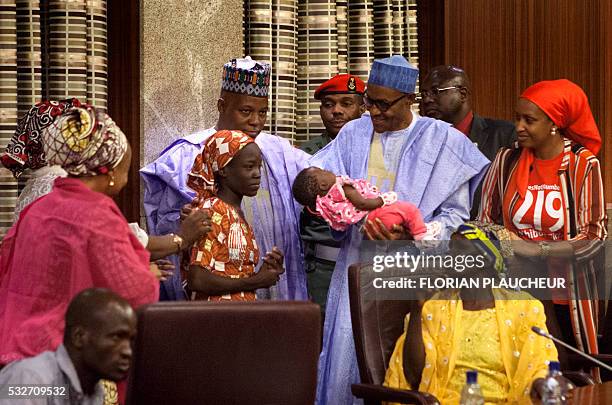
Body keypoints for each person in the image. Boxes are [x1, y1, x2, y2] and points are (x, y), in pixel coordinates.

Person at [309, 55, 490, 405]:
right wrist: (351, 214)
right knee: (348, 359)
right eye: (369, 102)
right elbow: (321, 187)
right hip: (358, 268)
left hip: (417, 274)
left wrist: (411, 234)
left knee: (411, 363)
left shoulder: (443, 140)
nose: (374, 112)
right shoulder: (353, 133)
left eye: (383, 104)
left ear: (410, 100)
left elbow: (455, 216)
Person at [0, 104, 159, 365]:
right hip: (70, 359)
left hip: (19, 353)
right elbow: (133, 292)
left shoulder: (38, 208)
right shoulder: (97, 215)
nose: (127, 179)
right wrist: (149, 276)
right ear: (109, 171)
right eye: (126, 168)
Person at [141, 56, 310, 301]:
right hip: (212, 300)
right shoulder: (184, 156)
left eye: (262, 112)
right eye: (246, 111)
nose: (255, 121)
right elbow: (164, 229)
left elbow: (318, 182)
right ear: (222, 106)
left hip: (271, 292)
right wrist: (185, 221)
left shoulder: (278, 151)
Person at [478, 79, 607, 365]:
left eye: (529, 120)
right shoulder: (506, 159)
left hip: (568, 293)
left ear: (554, 124)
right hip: (514, 286)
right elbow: (484, 221)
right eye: (517, 118)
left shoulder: (581, 165)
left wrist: (538, 251)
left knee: (570, 373)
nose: (519, 126)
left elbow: (594, 236)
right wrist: (511, 248)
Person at [0, 99, 211, 262]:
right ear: (109, 171)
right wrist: (180, 239)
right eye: (124, 167)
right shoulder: (69, 195)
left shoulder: (44, 189)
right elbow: (116, 251)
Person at [384, 223, 564, 404]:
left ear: (485, 257)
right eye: (450, 249)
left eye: (459, 250)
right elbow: (414, 378)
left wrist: (543, 383)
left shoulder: (523, 308)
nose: (450, 256)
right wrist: (416, 310)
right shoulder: (434, 308)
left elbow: (540, 366)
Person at [186, 130, 284, 301]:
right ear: (223, 170)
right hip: (217, 320)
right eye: (249, 167)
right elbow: (197, 279)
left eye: (258, 166)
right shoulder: (213, 211)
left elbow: (232, 271)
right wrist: (257, 281)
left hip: (236, 317)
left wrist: (267, 271)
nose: (257, 174)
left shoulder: (235, 212)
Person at [299, 74, 365, 317]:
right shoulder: (307, 154)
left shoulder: (375, 150)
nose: (336, 111)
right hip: (324, 266)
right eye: (329, 104)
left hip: (368, 261)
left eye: (346, 103)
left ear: (363, 107)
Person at [0, 289, 136, 405]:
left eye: (131, 340)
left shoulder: (93, 391)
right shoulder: (33, 381)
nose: (128, 352)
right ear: (79, 337)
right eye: (116, 337)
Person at [419, 65, 517, 219]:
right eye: (423, 94)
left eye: (435, 92)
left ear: (462, 94)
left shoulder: (503, 136)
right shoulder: (421, 140)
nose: (427, 99)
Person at [292, 167, 427, 238]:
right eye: (323, 171)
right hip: (378, 216)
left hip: (367, 227)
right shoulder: (343, 188)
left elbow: (338, 230)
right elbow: (362, 204)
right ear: (323, 185)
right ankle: (422, 236)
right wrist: (383, 200)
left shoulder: (326, 204)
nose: (328, 170)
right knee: (410, 210)